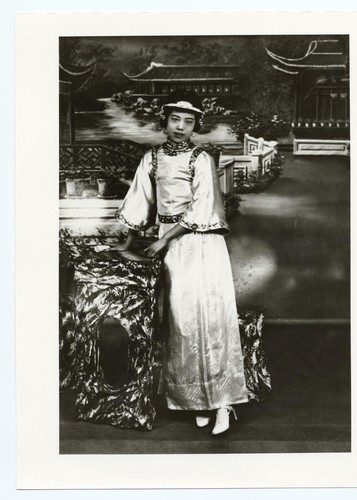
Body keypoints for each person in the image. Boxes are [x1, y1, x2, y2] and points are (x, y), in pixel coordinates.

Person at [113, 90, 248, 435]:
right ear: (165, 121)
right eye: (175, 119)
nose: (181, 127)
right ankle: (194, 401)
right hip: (170, 245)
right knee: (181, 320)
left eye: (189, 122)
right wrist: (128, 244)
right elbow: (140, 200)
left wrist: (162, 239)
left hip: (201, 242)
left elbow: (203, 207)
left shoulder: (200, 158)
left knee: (210, 316)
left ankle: (223, 403)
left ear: (195, 127)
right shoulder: (153, 158)